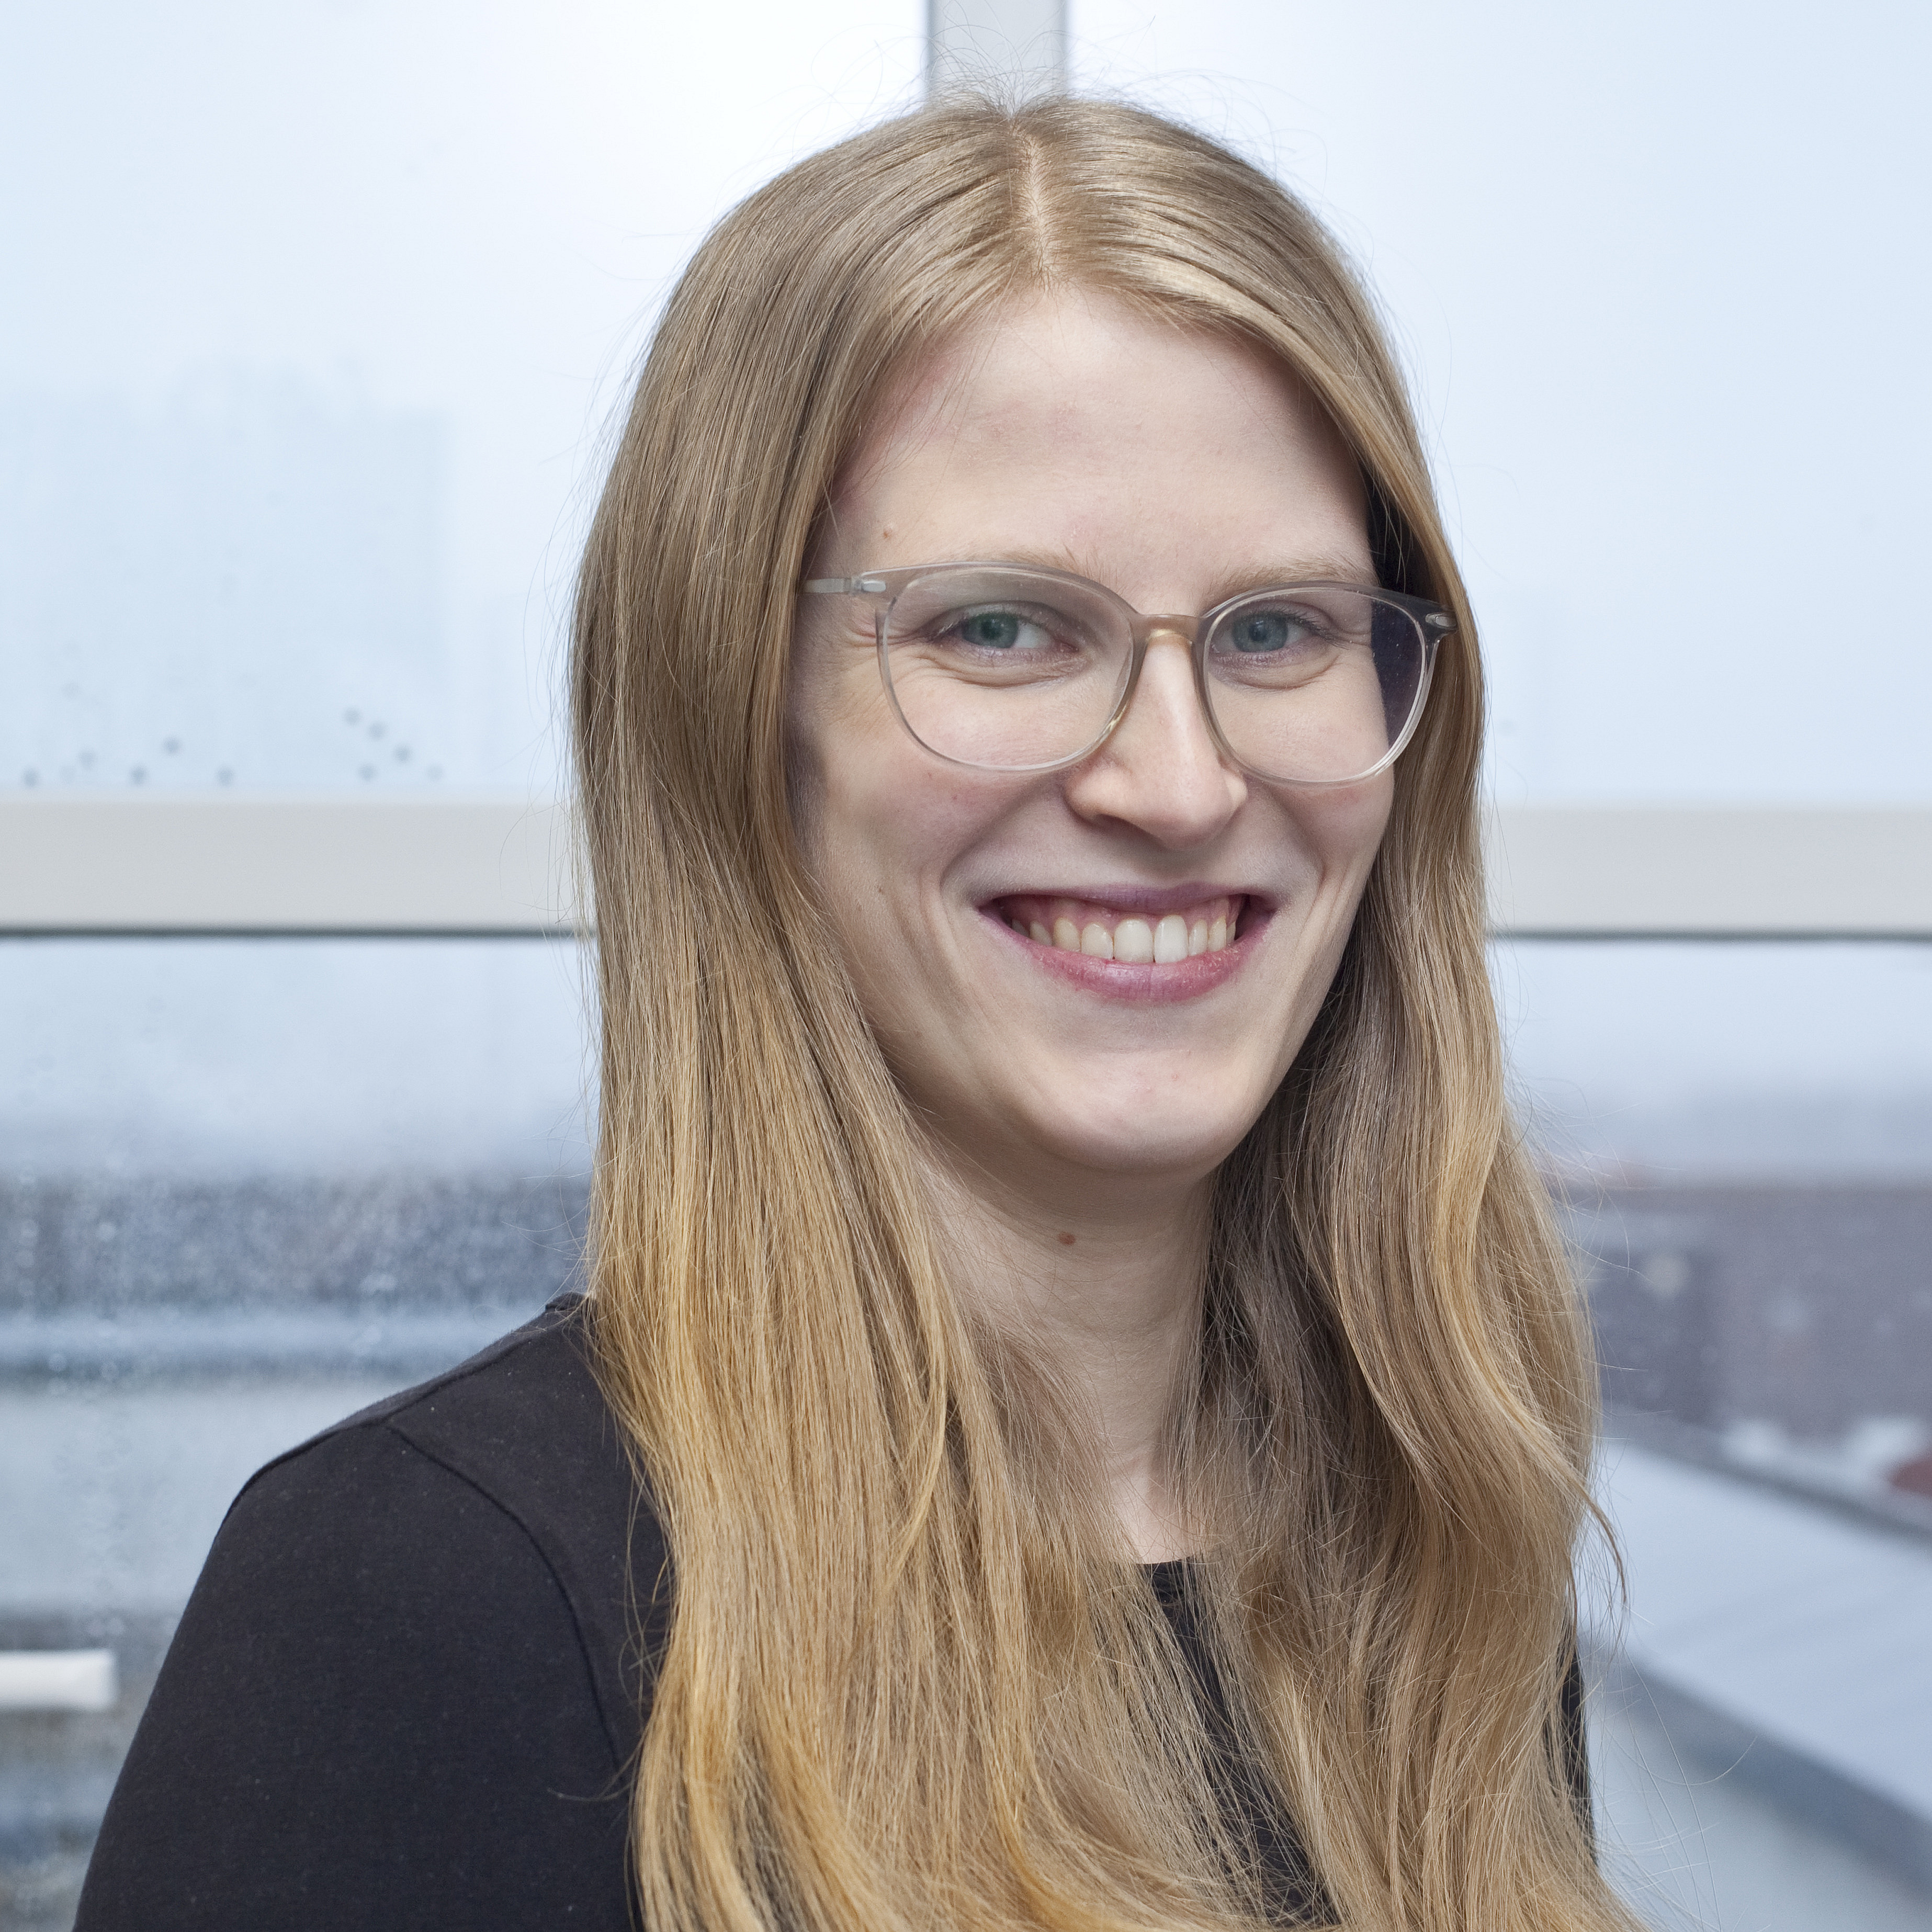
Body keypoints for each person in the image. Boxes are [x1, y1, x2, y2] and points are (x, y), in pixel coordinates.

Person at [77, 95, 1630, 1931]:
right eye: (1000, 629)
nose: (1179, 781)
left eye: (1278, 629)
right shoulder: (423, 1601)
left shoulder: (1435, 1575)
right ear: (737, 716)